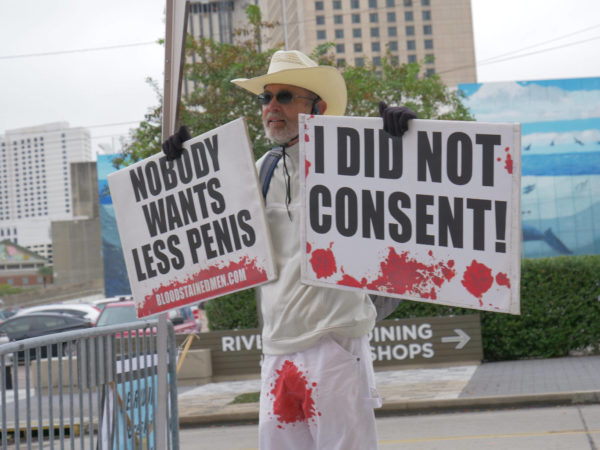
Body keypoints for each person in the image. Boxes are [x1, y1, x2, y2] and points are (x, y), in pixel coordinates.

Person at [163, 50, 416, 450]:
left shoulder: (351, 158)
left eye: (284, 96)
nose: (271, 107)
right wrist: (179, 167)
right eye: (266, 98)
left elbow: (412, 200)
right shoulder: (259, 168)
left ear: (319, 107)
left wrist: (404, 140)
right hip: (277, 347)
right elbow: (202, 223)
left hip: (335, 341)